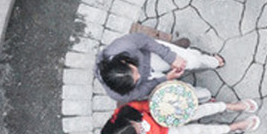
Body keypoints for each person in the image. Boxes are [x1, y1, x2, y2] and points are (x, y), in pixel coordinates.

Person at [99, 86, 259, 134]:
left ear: (127, 119)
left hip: (165, 114)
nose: (140, 126)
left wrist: (162, 109)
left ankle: (231, 106)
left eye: (136, 123)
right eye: (139, 131)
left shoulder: (126, 111)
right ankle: (234, 127)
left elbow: (145, 105)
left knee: (200, 110)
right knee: (198, 130)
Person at [96, 32, 225, 103]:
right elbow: (142, 90)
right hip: (150, 80)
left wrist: (170, 57)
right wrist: (165, 78)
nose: (139, 76)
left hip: (148, 56)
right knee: (181, 94)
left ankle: (209, 60)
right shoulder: (119, 95)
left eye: (135, 72)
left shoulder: (121, 47)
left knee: (192, 61)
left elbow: (145, 40)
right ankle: (204, 96)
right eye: (136, 80)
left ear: (123, 61)